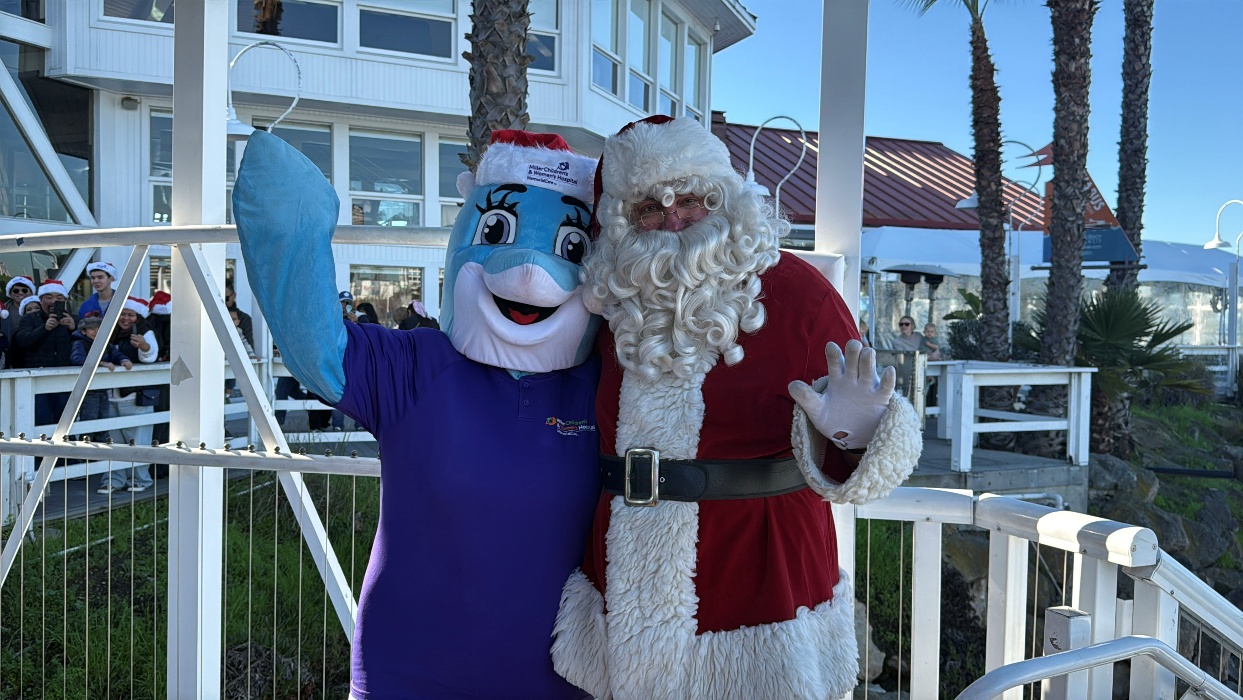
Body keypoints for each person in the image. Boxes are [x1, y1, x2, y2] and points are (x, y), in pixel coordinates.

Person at [550, 116, 921, 700]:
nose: (674, 220)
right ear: (622, 222)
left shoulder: (800, 292)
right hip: (622, 581)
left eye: (691, 200)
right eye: (649, 208)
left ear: (724, 199)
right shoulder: (609, 300)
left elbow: (863, 457)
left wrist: (859, 434)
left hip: (762, 582)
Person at [234, 128, 604, 700]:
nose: (531, 270)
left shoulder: (607, 384)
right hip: (407, 675)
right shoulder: (417, 365)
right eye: (497, 233)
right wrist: (293, 226)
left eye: (570, 248)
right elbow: (321, 350)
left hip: (561, 681)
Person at [99, 296, 160, 494]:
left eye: (130, 315)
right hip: (111, 394)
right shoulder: (110, 332)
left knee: (139, 440)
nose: (126, 318)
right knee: (113, 441)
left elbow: (151, 357)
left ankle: (140, 479)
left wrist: (143, 346)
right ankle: (114, 479)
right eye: (122, 314)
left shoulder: (146, 332)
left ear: (138, 316)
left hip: (135, 395)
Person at [14, 279, 77, 426]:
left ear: (65, 300)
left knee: (65, 423)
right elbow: (22, 340)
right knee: (42, 422)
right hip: (38, 380)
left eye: (59, 297)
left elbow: (90, 343)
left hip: (65, 379)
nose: (54, 301)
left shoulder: (73, 319)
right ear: (41, 299)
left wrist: (74, 328)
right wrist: (44, 328)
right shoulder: (29, 319)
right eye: (49, 297)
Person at [70, 315, 132, 428]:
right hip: (87, 388)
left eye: (99, 329)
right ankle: (88, 438)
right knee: (89, 418)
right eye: (92, 329)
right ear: (84, 331)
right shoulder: (80, 343)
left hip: (102, 387)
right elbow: (77, 359)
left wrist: (124, 360)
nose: (96, 332)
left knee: (103, 418)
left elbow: (116, 354)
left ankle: (101, 437)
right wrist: (101, 363)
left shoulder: (105, 344)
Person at [2, 276, 36, 368]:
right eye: (16, 291)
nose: (20, 293)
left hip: (33, 352)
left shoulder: (39, 308)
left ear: (31, 292)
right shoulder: (3, 310)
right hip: (11, 353)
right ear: (10, 293)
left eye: (24, 290)